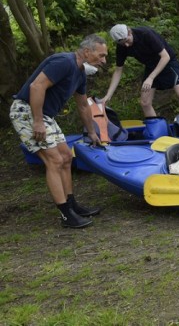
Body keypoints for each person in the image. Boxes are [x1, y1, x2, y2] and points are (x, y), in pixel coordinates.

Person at [9, 34, 108, 228]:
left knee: (66, 156)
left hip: (45, 115)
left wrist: (92, 132)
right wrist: (37, 121)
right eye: (101, 55)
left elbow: (83, 106)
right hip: (27, 111)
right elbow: (36, 86)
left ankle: (72, 205)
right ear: (87, 52)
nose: (104, 61)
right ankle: (65, 215)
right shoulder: (64, 62)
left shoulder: (80, 73)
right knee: (54, 160)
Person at [102, 24, 179, 117]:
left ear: (130, 32)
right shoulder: (122, 46)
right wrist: (108, 95)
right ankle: (156, 129)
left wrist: (151, 78)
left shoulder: (145, 34)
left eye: (127, 41)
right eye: (122, 43)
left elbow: (165, 56)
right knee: (145, 102)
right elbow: (118, 70)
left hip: (167, 63)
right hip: (151, 67)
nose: (126, 45)